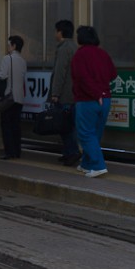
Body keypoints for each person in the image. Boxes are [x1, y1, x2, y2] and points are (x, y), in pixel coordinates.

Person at [70, 26, 117, 178]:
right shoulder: (103, 53)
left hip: (88, 99)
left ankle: (98, 166)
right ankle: (86, 164)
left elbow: (81, 78)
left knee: (85, 133)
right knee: (95, 134)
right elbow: (113, 74)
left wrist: (96, 93)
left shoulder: (80, 55)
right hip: (106, 98)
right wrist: (101, 90)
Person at [49, 19, 81, 166]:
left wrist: (55, 93)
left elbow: (59, 72)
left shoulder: (63, 49)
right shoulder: (75, 47)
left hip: (65, 94)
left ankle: (72, 152)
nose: (55, 34)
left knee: (65, 126)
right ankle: (68, 152)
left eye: (56, 31)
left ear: (60, 32)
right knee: (70, 125)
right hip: (74, 93)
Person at [0, 35, 27, 160]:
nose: (8, 47)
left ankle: (9, 151)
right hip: (19, 97)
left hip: (9, 97)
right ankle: (17, 151)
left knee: (6, 125)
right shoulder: (23, 61)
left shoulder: (7, 58)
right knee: (16, 125)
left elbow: (2, 75)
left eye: (9, 45)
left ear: (14, 46)